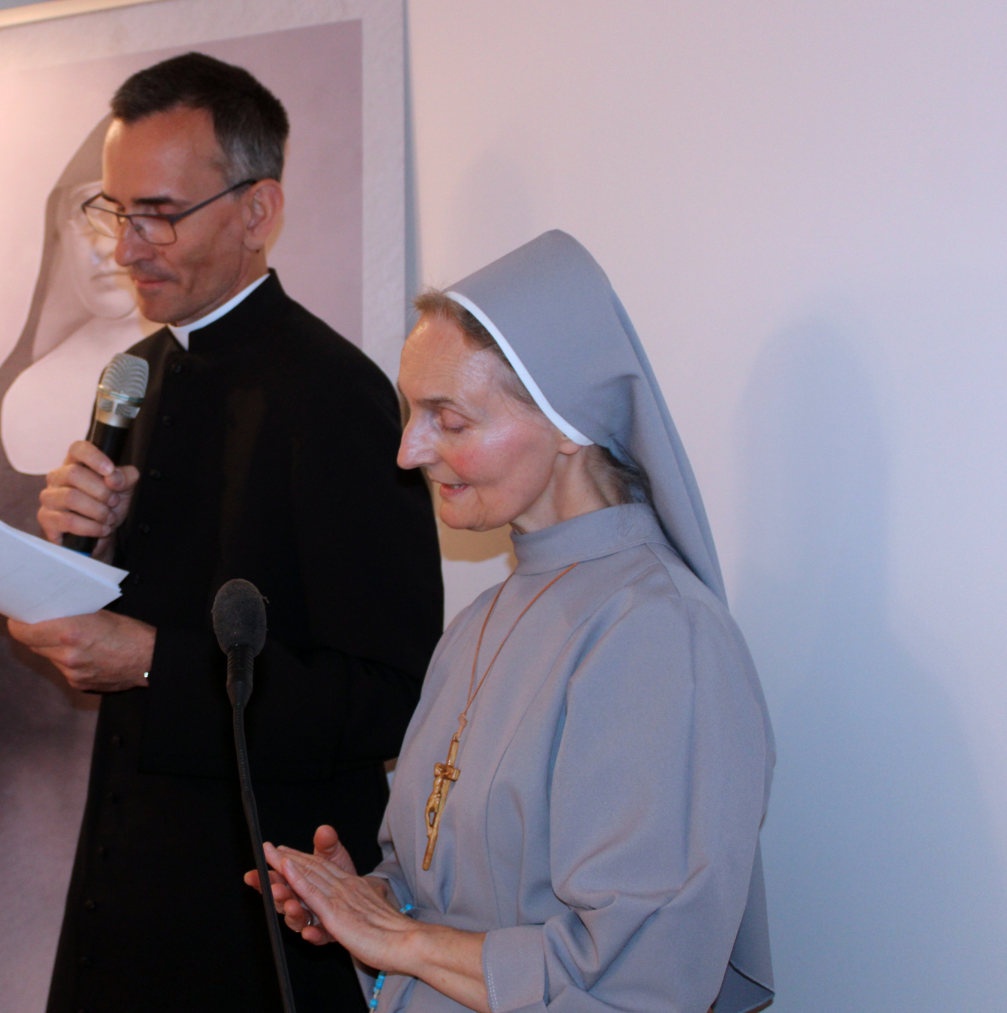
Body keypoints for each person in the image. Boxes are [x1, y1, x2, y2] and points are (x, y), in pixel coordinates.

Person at [7, 53, 445, 1012]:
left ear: (258, 211)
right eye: (115, 212)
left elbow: (391, 695)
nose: (128, 247)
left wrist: (152, 661)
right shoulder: (133, 374)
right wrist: (78, 549)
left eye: (159, 214)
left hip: (263, 915)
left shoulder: (338, 396)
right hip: (121, 883)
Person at [249, 231, 775, 1013]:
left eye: (450, 419)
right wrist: (371, 898)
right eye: (411, 412)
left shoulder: (660, 635)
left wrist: (403, 940)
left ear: (567, 422)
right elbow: (449, 886)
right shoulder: (477, 625)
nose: (407, 451)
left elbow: (637, 975)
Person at [0, 114, 147, 1003]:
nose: (109, 243)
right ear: (54, 227)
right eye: (90, 210)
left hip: (120, 807)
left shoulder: (181, 402)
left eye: (134, 215)